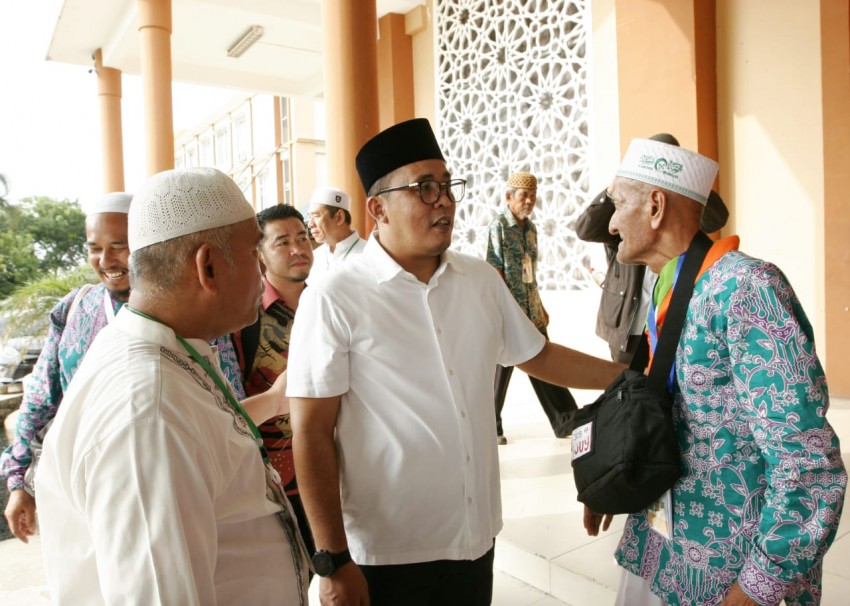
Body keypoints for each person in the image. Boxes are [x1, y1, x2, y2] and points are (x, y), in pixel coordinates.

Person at [286, 118, 624, 606]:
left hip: (475, 539)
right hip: (388, 556)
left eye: (446, 186)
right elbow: (311, 431)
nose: (444, 200)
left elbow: (540, 355)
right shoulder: (335, 296)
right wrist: (332, 559)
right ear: (377, 208)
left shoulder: (479, 280)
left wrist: (630, 378)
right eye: (424, 189)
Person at [584, 138, 847, 605]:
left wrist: (756, 588)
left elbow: (807, 464)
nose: (611, 221)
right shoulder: (670, 286)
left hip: (728, 576)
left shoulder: (747, 290)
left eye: (620, 202)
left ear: (656, 206)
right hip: (664, 552)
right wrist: (616, 476)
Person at [36, 168, 309, 605]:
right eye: (254, 251)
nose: (263, 272)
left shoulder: (168, 354)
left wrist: (276, 400)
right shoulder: (146, 411)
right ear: (209, 266)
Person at [0, 192, 247, 544]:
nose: (107, 260)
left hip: (175, 491)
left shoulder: (191, 313)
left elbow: (229, 403)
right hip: (85, 494)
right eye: (94, 248)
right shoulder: (74, 310)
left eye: (120, 245)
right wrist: (18, 482)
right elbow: (40, 400)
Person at [575, 133, 729, 364]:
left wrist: (689, 185)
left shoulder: (736, 285)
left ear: (656, 205)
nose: (613, 226)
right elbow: (586, 229)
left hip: (666, 321)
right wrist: (618, 187)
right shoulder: (621, 218)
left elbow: (716, 219)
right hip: (628, 320)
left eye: (622, 204)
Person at [232, 203, 315, 555]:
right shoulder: (243, 319)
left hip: (337, 471)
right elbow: (228, 408)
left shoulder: (329, 303)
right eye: (282, 242)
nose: (298, 249)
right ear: (260, 255)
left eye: (303, 237)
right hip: (275, 486)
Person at [487, 171, 578, 443]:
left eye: (533, 196)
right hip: (508, 311)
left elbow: (530, 274)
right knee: (502, 369)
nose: (529, 201)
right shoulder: (499, 226)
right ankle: (491, 426)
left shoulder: (532, 229)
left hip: (532, 310)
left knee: (544, 360)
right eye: (524, 195)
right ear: (508, 197)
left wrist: (540, 306)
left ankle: (566, 419)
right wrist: (505, 310)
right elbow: (495, 270)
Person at [306, 185, 366, 282]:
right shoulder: (313, 257)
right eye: (309, 217)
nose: (310, 224)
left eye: (316, 216)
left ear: (339, 217)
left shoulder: (368, 254)